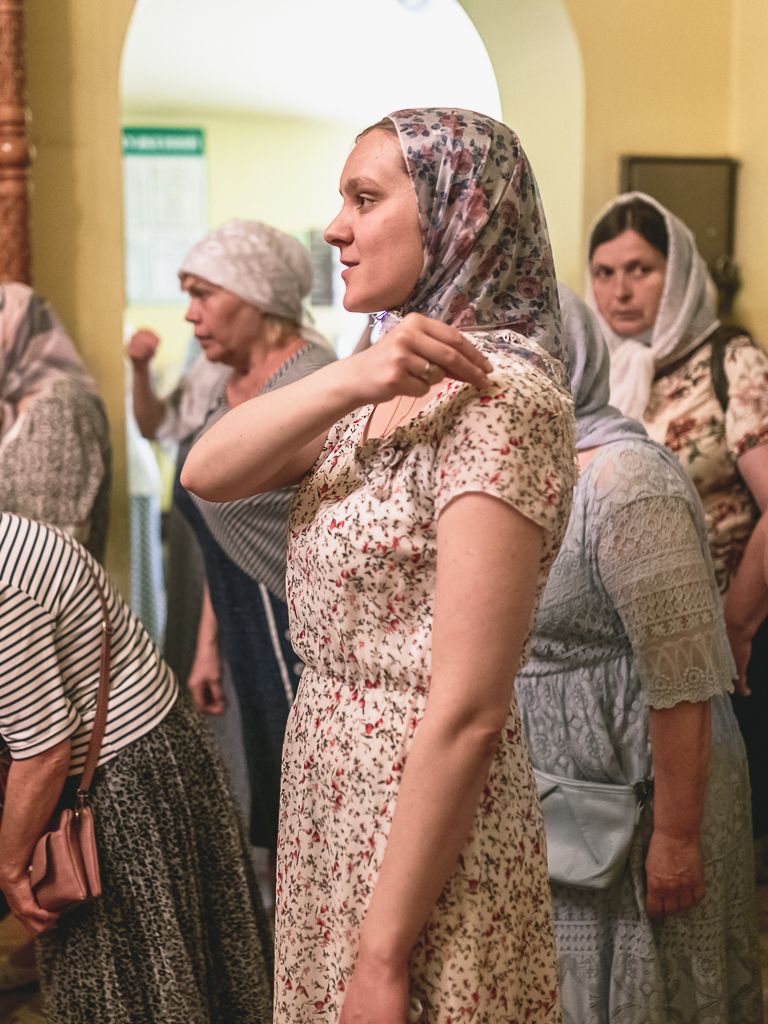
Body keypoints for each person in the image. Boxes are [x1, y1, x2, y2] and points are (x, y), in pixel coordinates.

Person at [183, 108, 577, 1024]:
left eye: (365, 199)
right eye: (341, 201)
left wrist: (382, 956)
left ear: (455, 216)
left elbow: (469, 710)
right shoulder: (379, 385)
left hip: (419, 826)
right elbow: (208, 472)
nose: (335, 229)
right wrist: (356, 374)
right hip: (331, 793)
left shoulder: (499, 398)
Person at [516, 286, 763, 1022]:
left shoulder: (627, 480)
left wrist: (677, 839)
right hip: (556, 792)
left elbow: (681, 677)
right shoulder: (512, 469)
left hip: (641, 792)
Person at [0, 513, 273, 1024]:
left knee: (130, 992)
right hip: (160, 756)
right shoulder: (14, 533)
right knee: (205, 972)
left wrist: (10, 867)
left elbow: (44, 753)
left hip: (122, 790)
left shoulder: (5, 585)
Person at [587, 192, 768, 839]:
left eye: (640, 269)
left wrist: (737, 624)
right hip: (630, 644)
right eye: (605, 272)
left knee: (719, 818)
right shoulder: (598, 366)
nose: (620, 290)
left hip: (726, 637)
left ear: (679, 273)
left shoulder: (729, 360)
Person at [171, 219, 336, 861]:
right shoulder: (223, 388)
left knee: (314, 816)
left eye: (204, 294)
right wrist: (208, 647)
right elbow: (224, 535)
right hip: (245, 629)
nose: (191, 314)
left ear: (259, 294)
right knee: (272, 810)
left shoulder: (312, 386)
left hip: (301, 637)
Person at [0, 283, 111, 562]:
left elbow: (46, 550)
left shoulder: (60, 409)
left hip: (41, 588)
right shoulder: (14, 407)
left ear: (14, 333)